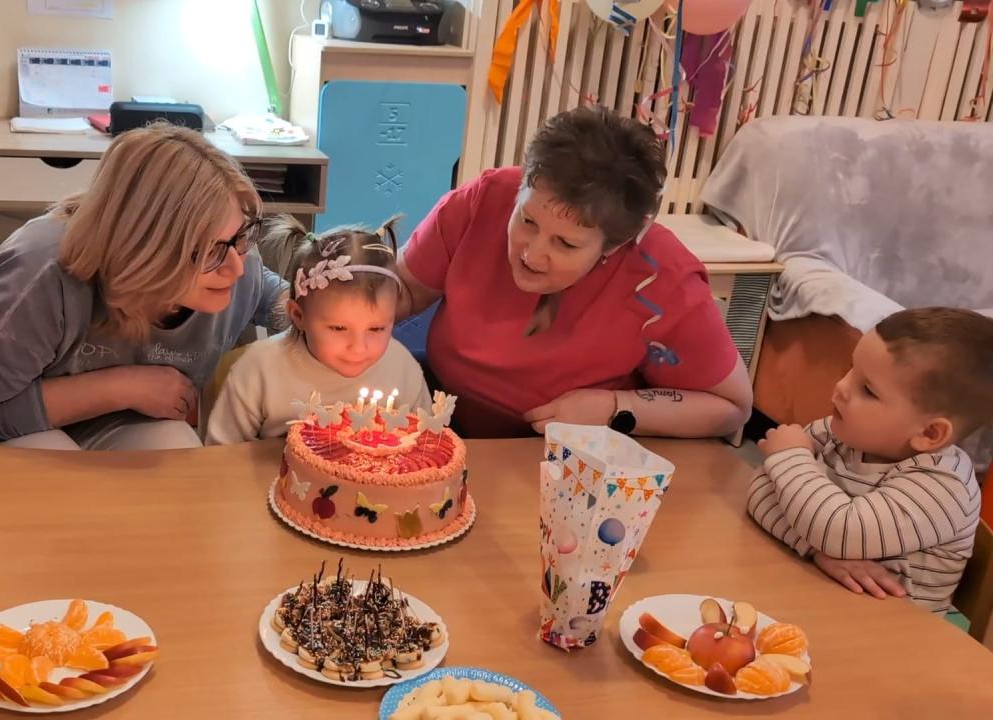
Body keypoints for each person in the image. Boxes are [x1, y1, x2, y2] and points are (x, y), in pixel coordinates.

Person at [393, 107, 751, 438]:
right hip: (443, 417)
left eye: (565, 244)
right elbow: (404, 291)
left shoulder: (662, 278)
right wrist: (363, 297)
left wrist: (614, 409)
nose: (532, 254)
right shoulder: (484, 198)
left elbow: (732, 405)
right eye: (527, 220)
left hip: (567, 451)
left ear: (615, 245)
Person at [0, 123, 286, 451]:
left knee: (175, 449)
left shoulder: (238, 261)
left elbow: (282, 300)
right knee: (59, 473)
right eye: (208, 251)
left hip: (111, 422)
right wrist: (122, 387)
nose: (236, 267)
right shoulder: (39, 276)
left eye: (243, 235)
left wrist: (311, 302)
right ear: (140, 250)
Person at [748, 308, 989, 613]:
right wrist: (818, 550)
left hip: (894, 629)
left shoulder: (944, 486)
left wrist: (790, 457)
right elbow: (759, 491)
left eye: (868, 390)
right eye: (851, 369)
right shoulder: (837, 433)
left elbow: (839, 530)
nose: (841, 386)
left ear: (929, 433)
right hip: (820, 598)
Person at [206, 215, 429, 444]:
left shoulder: (403, 369)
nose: (359, 347)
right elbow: (220, 455)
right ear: (298, 316)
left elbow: (426, 445)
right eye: (339, 328)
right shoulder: (258, 371)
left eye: (377, 328)